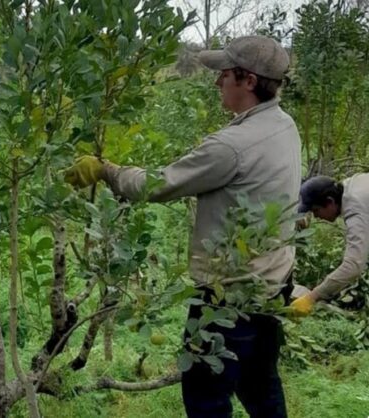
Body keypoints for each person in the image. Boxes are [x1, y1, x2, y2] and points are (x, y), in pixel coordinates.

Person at [64, 36, 298, 418]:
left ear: (249, 80)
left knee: (206, 400)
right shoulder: (284, 125)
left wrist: (105, 170)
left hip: (227, 299)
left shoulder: (232, 145)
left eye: (224, 74)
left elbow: (155, 185)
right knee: (261, 389)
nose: (217, 82)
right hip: (270, 290)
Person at [290, 174, 369, 316]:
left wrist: (311, 297)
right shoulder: (351, 186)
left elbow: (353, 266)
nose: (316, 217)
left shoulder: (355, 208)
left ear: (330, 201)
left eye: (316, 210)